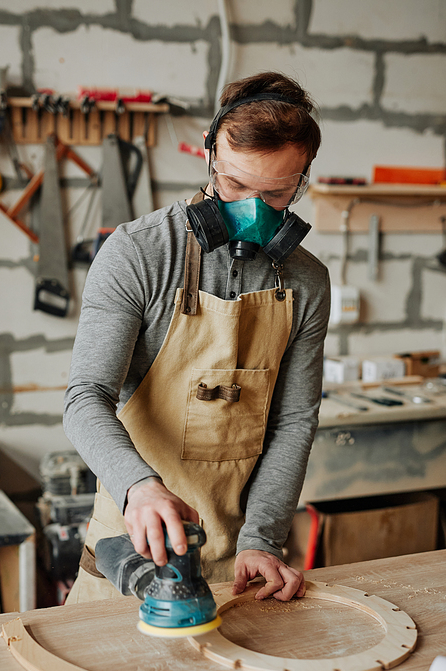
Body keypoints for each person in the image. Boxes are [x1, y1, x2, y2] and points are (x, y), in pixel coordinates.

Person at [63, 70, 330, 606]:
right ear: (209, 157)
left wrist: (263, 539)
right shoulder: (138, 253)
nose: (252, 211)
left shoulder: (306, 280)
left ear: (302, 178)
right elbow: (84, 397)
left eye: (276, 194)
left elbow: (294, 420)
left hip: (241, 568)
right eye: (234, 186)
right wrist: (140, 487)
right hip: (133, 552)